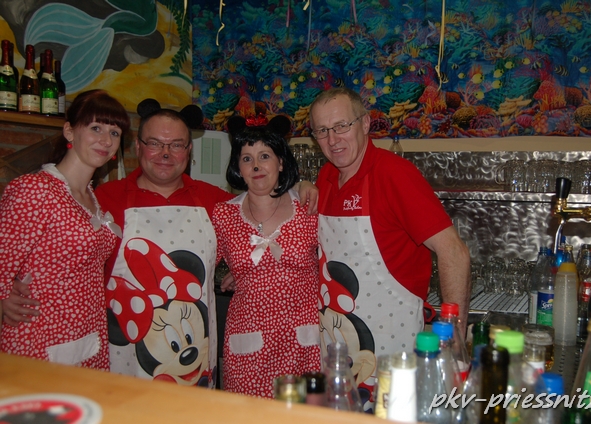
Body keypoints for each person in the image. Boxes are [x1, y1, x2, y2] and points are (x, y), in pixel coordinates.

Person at [3, 100, 319, 388]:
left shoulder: (214, 201)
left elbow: (260, 204)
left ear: (188, 151)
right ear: (138, 147)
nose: (165, 153)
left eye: (176, 145)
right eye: (155, 143)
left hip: (194, 358)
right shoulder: (104, 198)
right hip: (123, 357)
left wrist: (300, 184)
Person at [309, 88, 471, 408]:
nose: (333, 139)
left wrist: (454, 342)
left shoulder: (394, 174)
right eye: (322, 131)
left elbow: (455, 252)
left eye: (341, 126)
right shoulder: (325, 176)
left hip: (393, 352)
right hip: (337, 353)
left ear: (365, 124)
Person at [0, 89, 130, 370]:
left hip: (88, 333)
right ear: (70, 131)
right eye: (96, 128)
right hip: (41, 336)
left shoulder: (90, 196)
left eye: (114, 133)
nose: (106, 140)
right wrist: (3, 296)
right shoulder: (36, 189)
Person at [212, 116, 321, 398]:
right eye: (247, 159)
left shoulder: (309, 208)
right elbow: (201, 266)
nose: (256, 166)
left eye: (264, 156)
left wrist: (305, 182)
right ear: (238, 168)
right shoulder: (223, 215)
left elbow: (335, 262)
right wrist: (244, 271)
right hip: (249, 343)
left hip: (304, 343)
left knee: (305, 414)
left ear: (280, 162)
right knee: (248, 414)